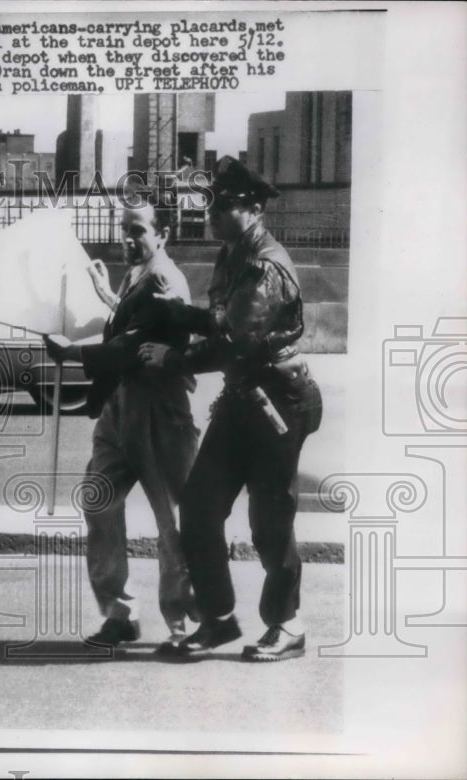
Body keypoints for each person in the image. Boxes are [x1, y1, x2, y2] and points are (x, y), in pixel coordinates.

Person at [139, 156, 323, 662]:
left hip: (277, 403)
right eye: (211, 204)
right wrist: (175, 314)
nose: (213, 214)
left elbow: (235, 344)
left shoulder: (265, 264)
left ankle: (287, 625)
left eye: (225, 206)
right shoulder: (233, 253)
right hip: (244, 399)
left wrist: (174, 357)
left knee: (269, 518)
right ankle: (218, 620)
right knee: (199, 507)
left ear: (254, 209)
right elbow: (222, 322)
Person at [43, 202, 200, 653]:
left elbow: (133, 344)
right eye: (123, 231)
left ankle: (183, 624)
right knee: (99, 502)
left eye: (138, 231)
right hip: (121, 408)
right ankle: (119, 614)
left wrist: (72, 352)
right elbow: (132, 319)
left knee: (171, 520)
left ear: (163, 233)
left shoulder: (165, 277)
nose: (127, 240)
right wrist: (108, 294)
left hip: (159, 411)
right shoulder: (138, 274)